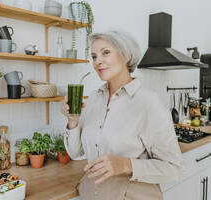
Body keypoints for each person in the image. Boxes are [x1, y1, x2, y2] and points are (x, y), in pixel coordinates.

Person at [61, 29, 183, 200]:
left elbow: (173, 168)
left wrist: (125, 165)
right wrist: (72, 122)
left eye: (106, 53)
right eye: (94, 56)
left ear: (126, 55)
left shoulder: (148, 102)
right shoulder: (95, 98)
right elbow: (76, 153)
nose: (98, 62)